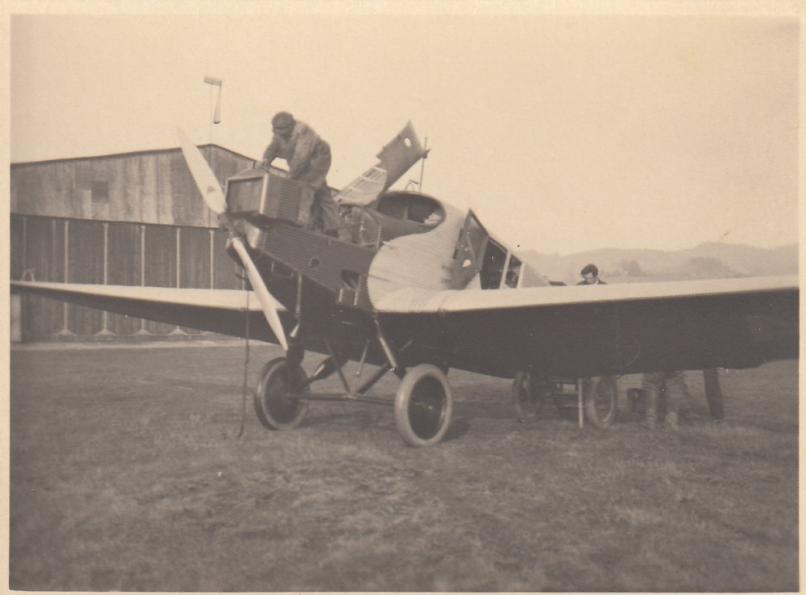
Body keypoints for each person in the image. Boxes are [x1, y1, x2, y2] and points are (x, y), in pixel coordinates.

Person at [260, 112, 342, 236]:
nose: (280, 134)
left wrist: (290, 176)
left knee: (304, 186)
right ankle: (332, 225)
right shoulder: (278, 133)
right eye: (277, 131)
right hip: (300, 161)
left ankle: (301, 223)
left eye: (283, 131)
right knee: (320, 190)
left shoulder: (303, 131)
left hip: (318, 157)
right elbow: (272, 147)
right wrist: (266, 160)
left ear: (291, 126)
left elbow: (301, 159)